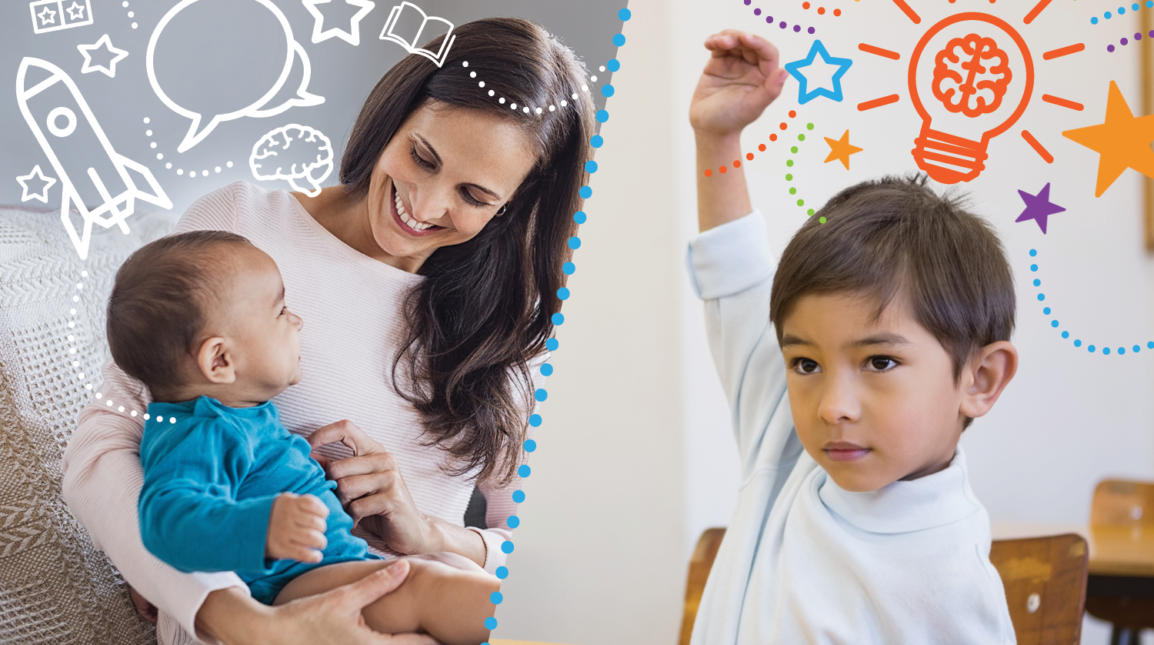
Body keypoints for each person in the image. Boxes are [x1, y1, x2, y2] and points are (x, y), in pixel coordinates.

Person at [62, 17, 595, 645]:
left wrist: (431, 533)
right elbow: (103, 444)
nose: (423, 206)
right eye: (422, 156)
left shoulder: (510, 330)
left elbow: (546, 553)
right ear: (396, 112)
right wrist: (235, 617)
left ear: (515, 203)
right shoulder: (240, 233)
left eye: (473, 195)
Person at [686, 30, 1019, 643]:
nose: (832, 405)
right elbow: (734, 280)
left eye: (880, 362)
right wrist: (718, 138)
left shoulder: (954, 589)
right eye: (806, 364)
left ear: (980, 378)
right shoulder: (784, 446)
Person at [111, 231, 497, 644]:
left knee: (448, 565)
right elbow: (165, 518)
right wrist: (262, 528)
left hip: (332, 569)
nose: (296, 321)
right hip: (291, 591)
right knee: (426, 584)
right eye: (280, 313)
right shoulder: (201, 430)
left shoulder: (235, 415)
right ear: (220, 359)